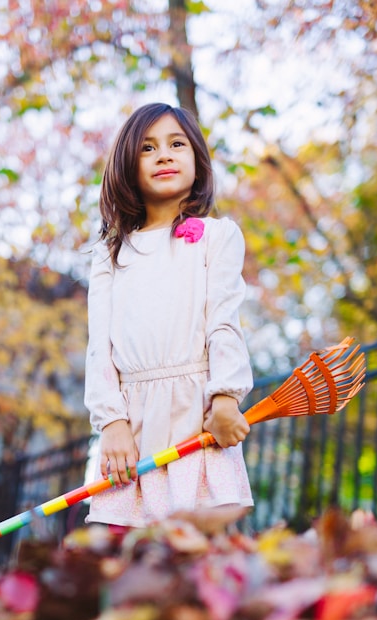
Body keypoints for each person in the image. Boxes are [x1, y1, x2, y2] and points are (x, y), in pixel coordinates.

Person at [84, 101, 253, 528]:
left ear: (196, 159)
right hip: (132, 426)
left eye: (177, 144)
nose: (164, 154)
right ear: (126, 166)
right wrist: (112, 424)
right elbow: (98, 349)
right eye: (147, 148)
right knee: (116, 552)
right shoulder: (110, 255)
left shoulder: (218, 236)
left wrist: (227, 397)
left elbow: (224, 322)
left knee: (197, 555)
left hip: (197, 416)